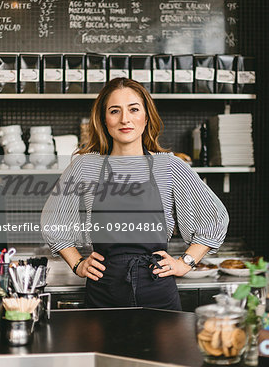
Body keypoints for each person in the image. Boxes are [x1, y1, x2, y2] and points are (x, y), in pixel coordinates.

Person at [41, 78, 229, 310]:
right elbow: (53, 220)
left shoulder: (169, 166)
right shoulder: (85, 166)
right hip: (103, 291)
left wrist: (185, 263)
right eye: (114, 111)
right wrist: (77, 263)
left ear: (146, 116)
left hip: (158, 290)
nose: (125, 119)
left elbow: (215, 219)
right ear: (103, 119)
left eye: (133, 109)